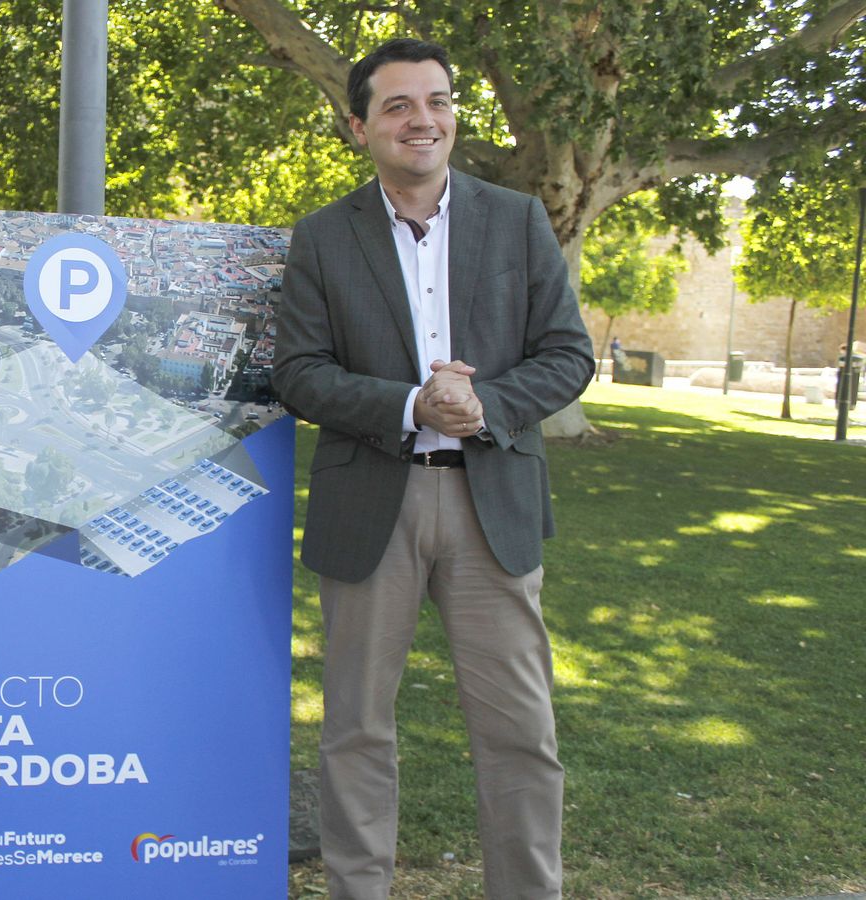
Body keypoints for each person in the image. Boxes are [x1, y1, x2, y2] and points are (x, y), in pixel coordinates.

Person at [272, 38, 593, 899]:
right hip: (374, 500)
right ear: (359, 125)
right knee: (356, 731)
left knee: (520, 731)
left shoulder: (517, 220)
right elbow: (298, 371)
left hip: (494, 501)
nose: (424, 120)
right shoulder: (323, 237)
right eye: (399, 106)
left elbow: (567, 354)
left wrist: (486, 405)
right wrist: (412, 404)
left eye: (439, 102)